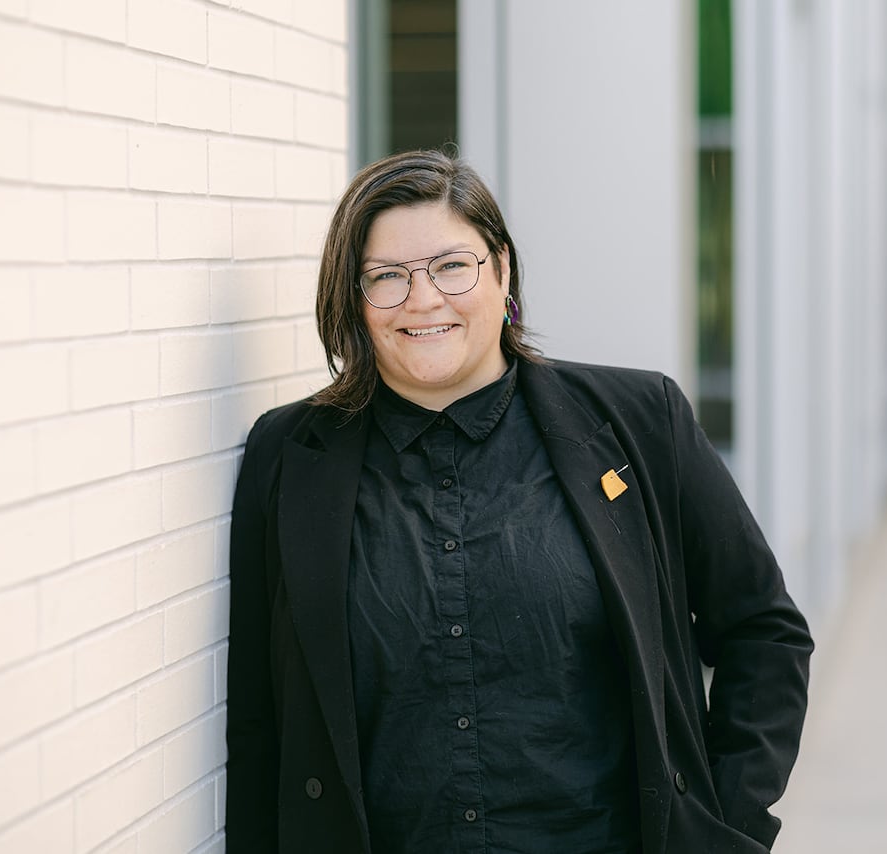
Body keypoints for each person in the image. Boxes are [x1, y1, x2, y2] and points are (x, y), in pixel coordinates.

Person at [226, 149, 813, 854]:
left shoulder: (641, 422)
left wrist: (725, 829)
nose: (423, 299)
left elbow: (762, 632)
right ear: (353, 299)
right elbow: (258, 718)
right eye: (385, 276)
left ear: (501, 270)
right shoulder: (288, 456)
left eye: (451, 266)